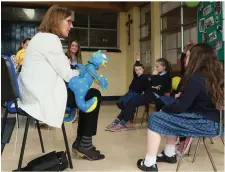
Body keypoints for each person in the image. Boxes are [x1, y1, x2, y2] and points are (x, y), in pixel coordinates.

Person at [18, 5, 104, 161]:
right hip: (42, 97)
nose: (71, 26)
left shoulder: (40, 37)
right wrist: (88, 72)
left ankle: (82, 142)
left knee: (86, 94)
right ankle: (84, 143)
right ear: (57, 21)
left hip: (32, 93)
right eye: (69, 21)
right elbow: (67, 74)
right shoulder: (50, 40)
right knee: (94, 94)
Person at [136, 43, 224, 172]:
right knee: (172, 113)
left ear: (197, 58)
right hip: (216, 122)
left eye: (188, 56)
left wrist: (166, 109)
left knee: (156, 117)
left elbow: (181, 106)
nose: (185, 59)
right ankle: (169, 154)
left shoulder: (196, 78)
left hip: (204, 123)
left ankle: (149, 163)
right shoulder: (214, 76)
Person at [106, 58, 172, 132]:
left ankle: (122, 124)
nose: (156, 68)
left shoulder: (166, 77)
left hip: (155, 96)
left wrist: (153, 76)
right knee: (130, 101)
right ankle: (117, 121)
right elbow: (150, 82)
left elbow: (164, 89)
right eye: (155, 66)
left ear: (164, 67)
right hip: (149, 94)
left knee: (133, 102)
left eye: (157, 66)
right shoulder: (159, 75)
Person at [64, 39, 82, 123]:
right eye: (73, 45)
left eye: (76, 46)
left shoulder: (78, 58)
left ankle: (75, 111)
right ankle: (73, 111)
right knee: (72, 90)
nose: (75, 47)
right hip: (66, 81)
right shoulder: (65, 57)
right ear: (69, 46)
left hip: (75, 81)